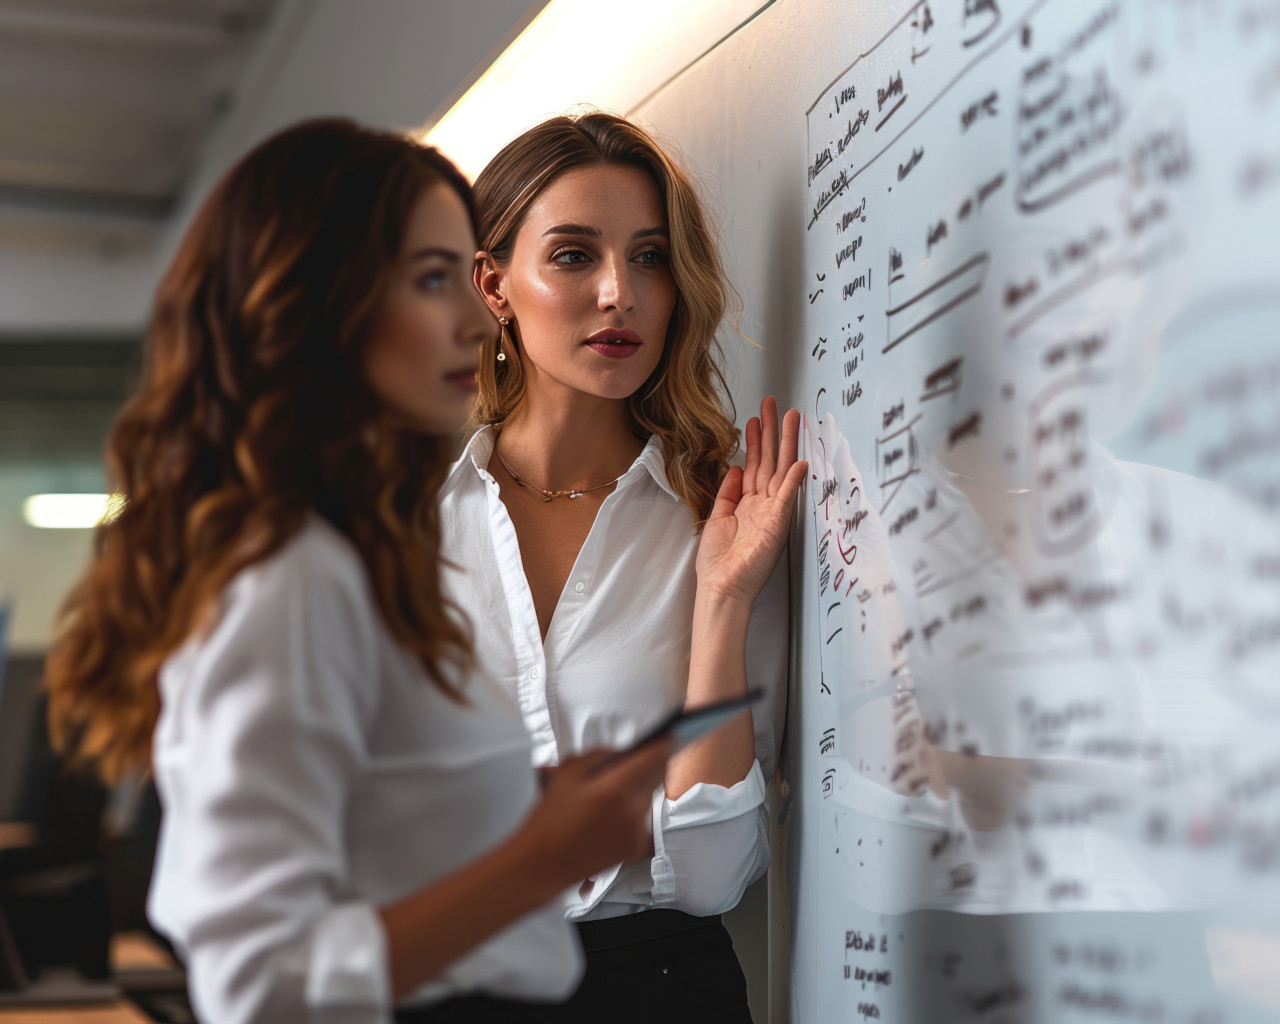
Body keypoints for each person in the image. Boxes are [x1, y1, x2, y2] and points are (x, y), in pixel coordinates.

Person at [41, 118, 672, 1024]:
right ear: (314, 304)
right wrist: (539, 858)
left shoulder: (358, 552)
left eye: (463, 276)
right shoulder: (294, 579)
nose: (471, 314)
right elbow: (257, 986)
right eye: (429, 280)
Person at [439, 111, 807, 1021]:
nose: (620, 293)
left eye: (649, 258)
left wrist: (720, 603)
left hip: (662, 991)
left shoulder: (722, 518)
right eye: (573, 255)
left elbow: (713, 875)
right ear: (494, 285)